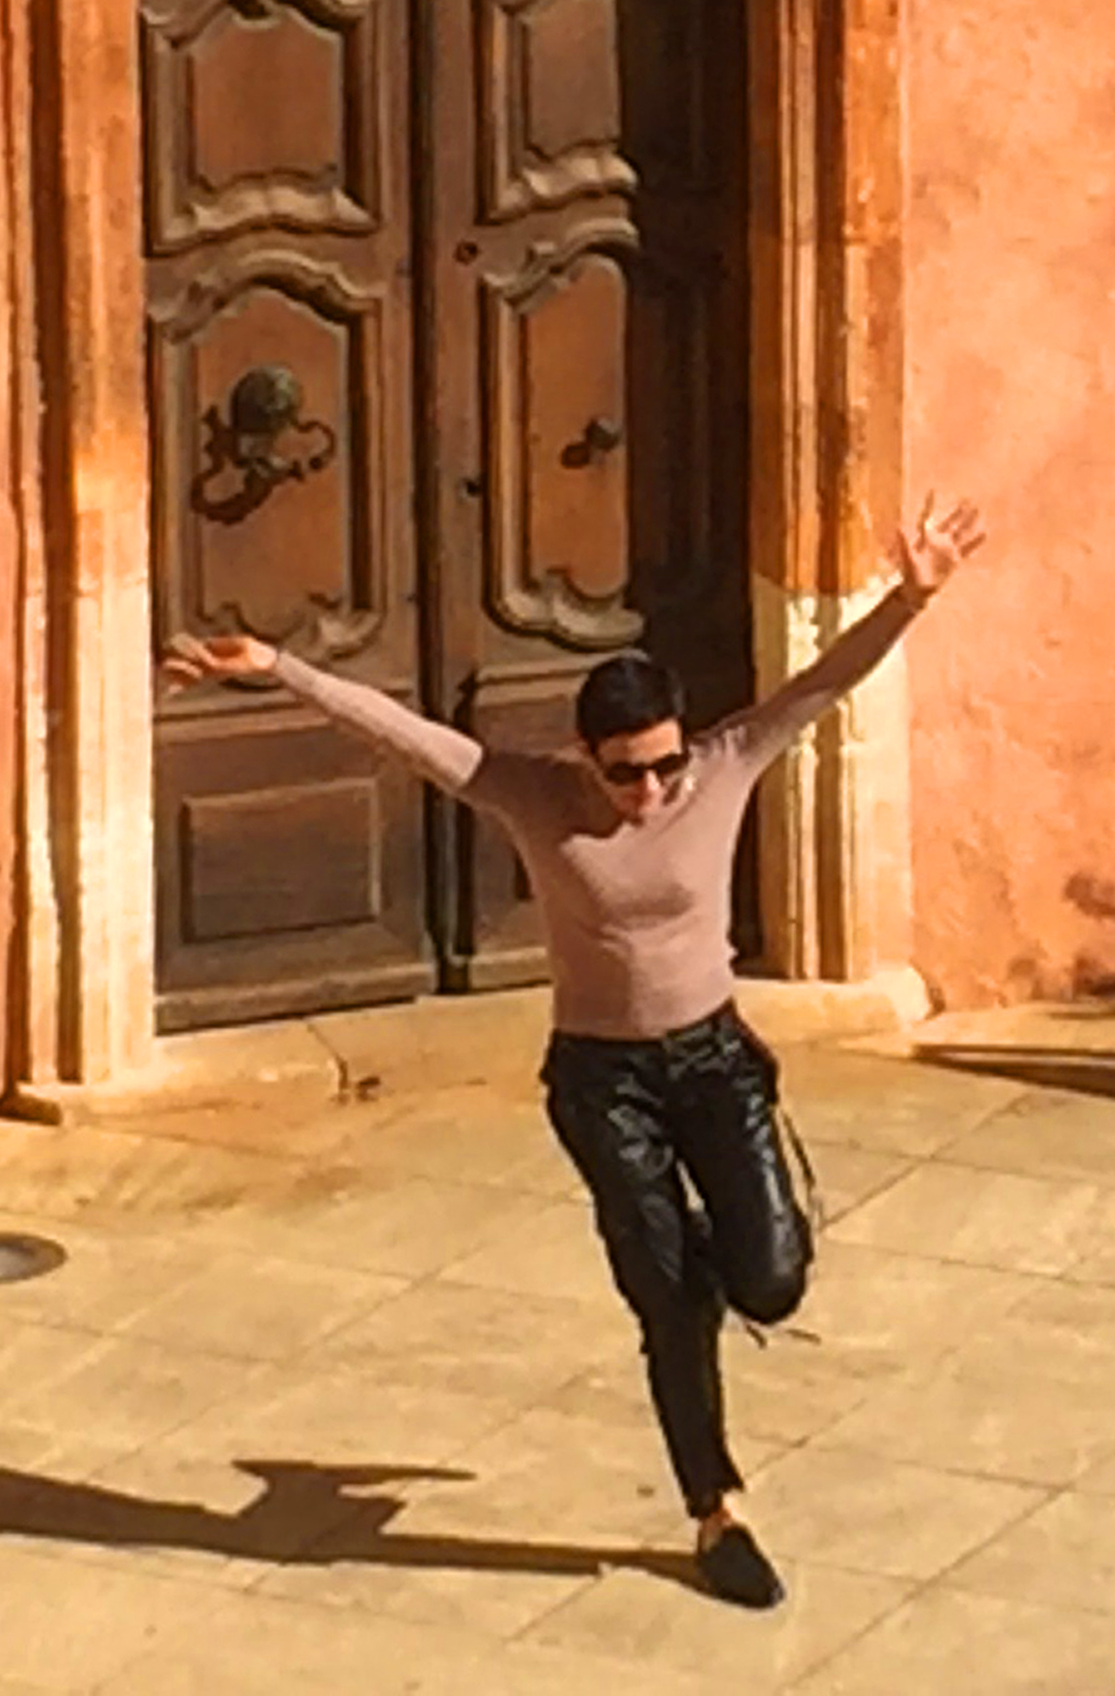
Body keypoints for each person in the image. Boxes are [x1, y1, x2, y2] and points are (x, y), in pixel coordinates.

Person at [160, 493, 986, 1611]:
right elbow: (403, 736)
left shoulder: (731, 761)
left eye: (663, 766)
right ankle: (716, 1510)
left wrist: (912, 595)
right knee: (665, 1300)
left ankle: (707, 1246)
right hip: (605, 1084)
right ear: (583, 757)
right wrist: (275, 665)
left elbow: (826, 682)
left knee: (772, 1282)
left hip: (717, 1062)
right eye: (624, 772)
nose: (649, 792)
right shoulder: (534, 793)